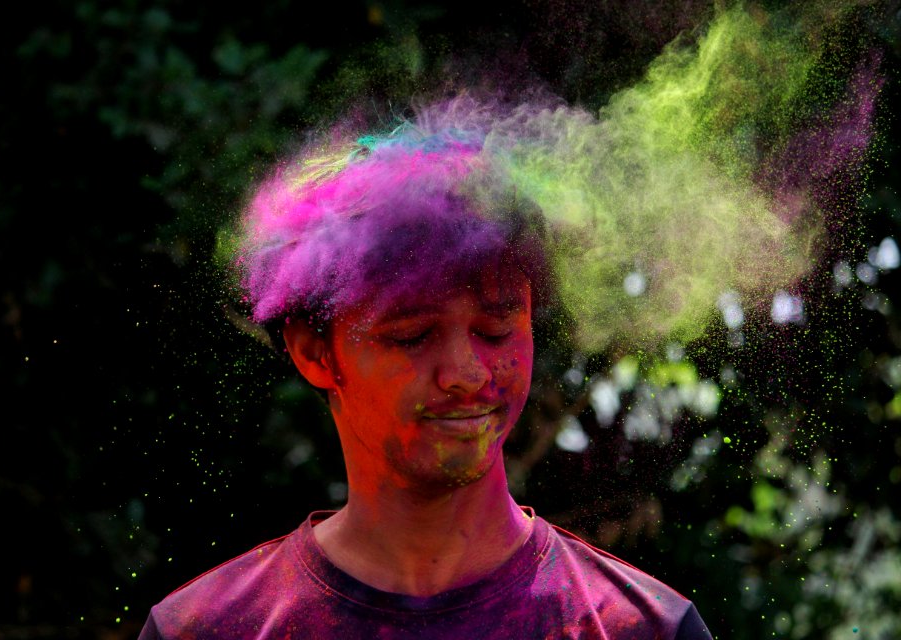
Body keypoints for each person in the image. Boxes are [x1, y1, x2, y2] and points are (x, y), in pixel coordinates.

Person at [139, 100, 713, 639]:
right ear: (316, 353)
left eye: (495, 330)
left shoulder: (642, 628)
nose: (466, 373)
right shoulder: (207, 628)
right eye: (412, 336)